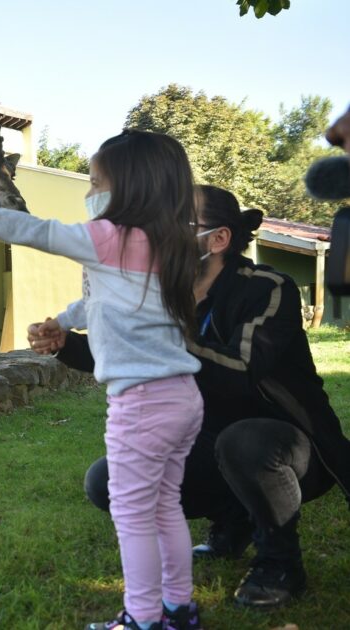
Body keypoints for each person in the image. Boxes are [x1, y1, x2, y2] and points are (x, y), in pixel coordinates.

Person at [30, 184, 350, 611]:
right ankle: (231, 520)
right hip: (205, 438)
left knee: (243, 441)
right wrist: (65, 343)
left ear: (218, 239)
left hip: (288, 449)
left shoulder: (269, 288)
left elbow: (240, 371)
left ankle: (279, 563)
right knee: (107, 480)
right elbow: (124, 354)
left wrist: (161, 334)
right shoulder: (161, 292)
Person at [0, 129, 205, 630]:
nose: (88, 192)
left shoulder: (110, 237)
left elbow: (37, 231)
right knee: (166, 504)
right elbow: (105, 299)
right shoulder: (168, 244)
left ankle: (144, 619)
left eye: (94, 181)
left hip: (141, 404)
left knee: (131, 515)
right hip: (181, 398)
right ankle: (178, 608)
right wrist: (64, 319)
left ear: (129, 186)